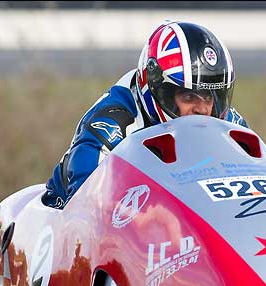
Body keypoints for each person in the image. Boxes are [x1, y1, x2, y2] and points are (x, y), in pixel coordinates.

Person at [43, 21, 247, 208]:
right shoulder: (112, 124)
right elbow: (84, 210)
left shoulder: (224, 120)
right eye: (189, 97)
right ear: (157, 88)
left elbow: (264, 172)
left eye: (209, 97)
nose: (202, 110)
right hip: (63, 218)